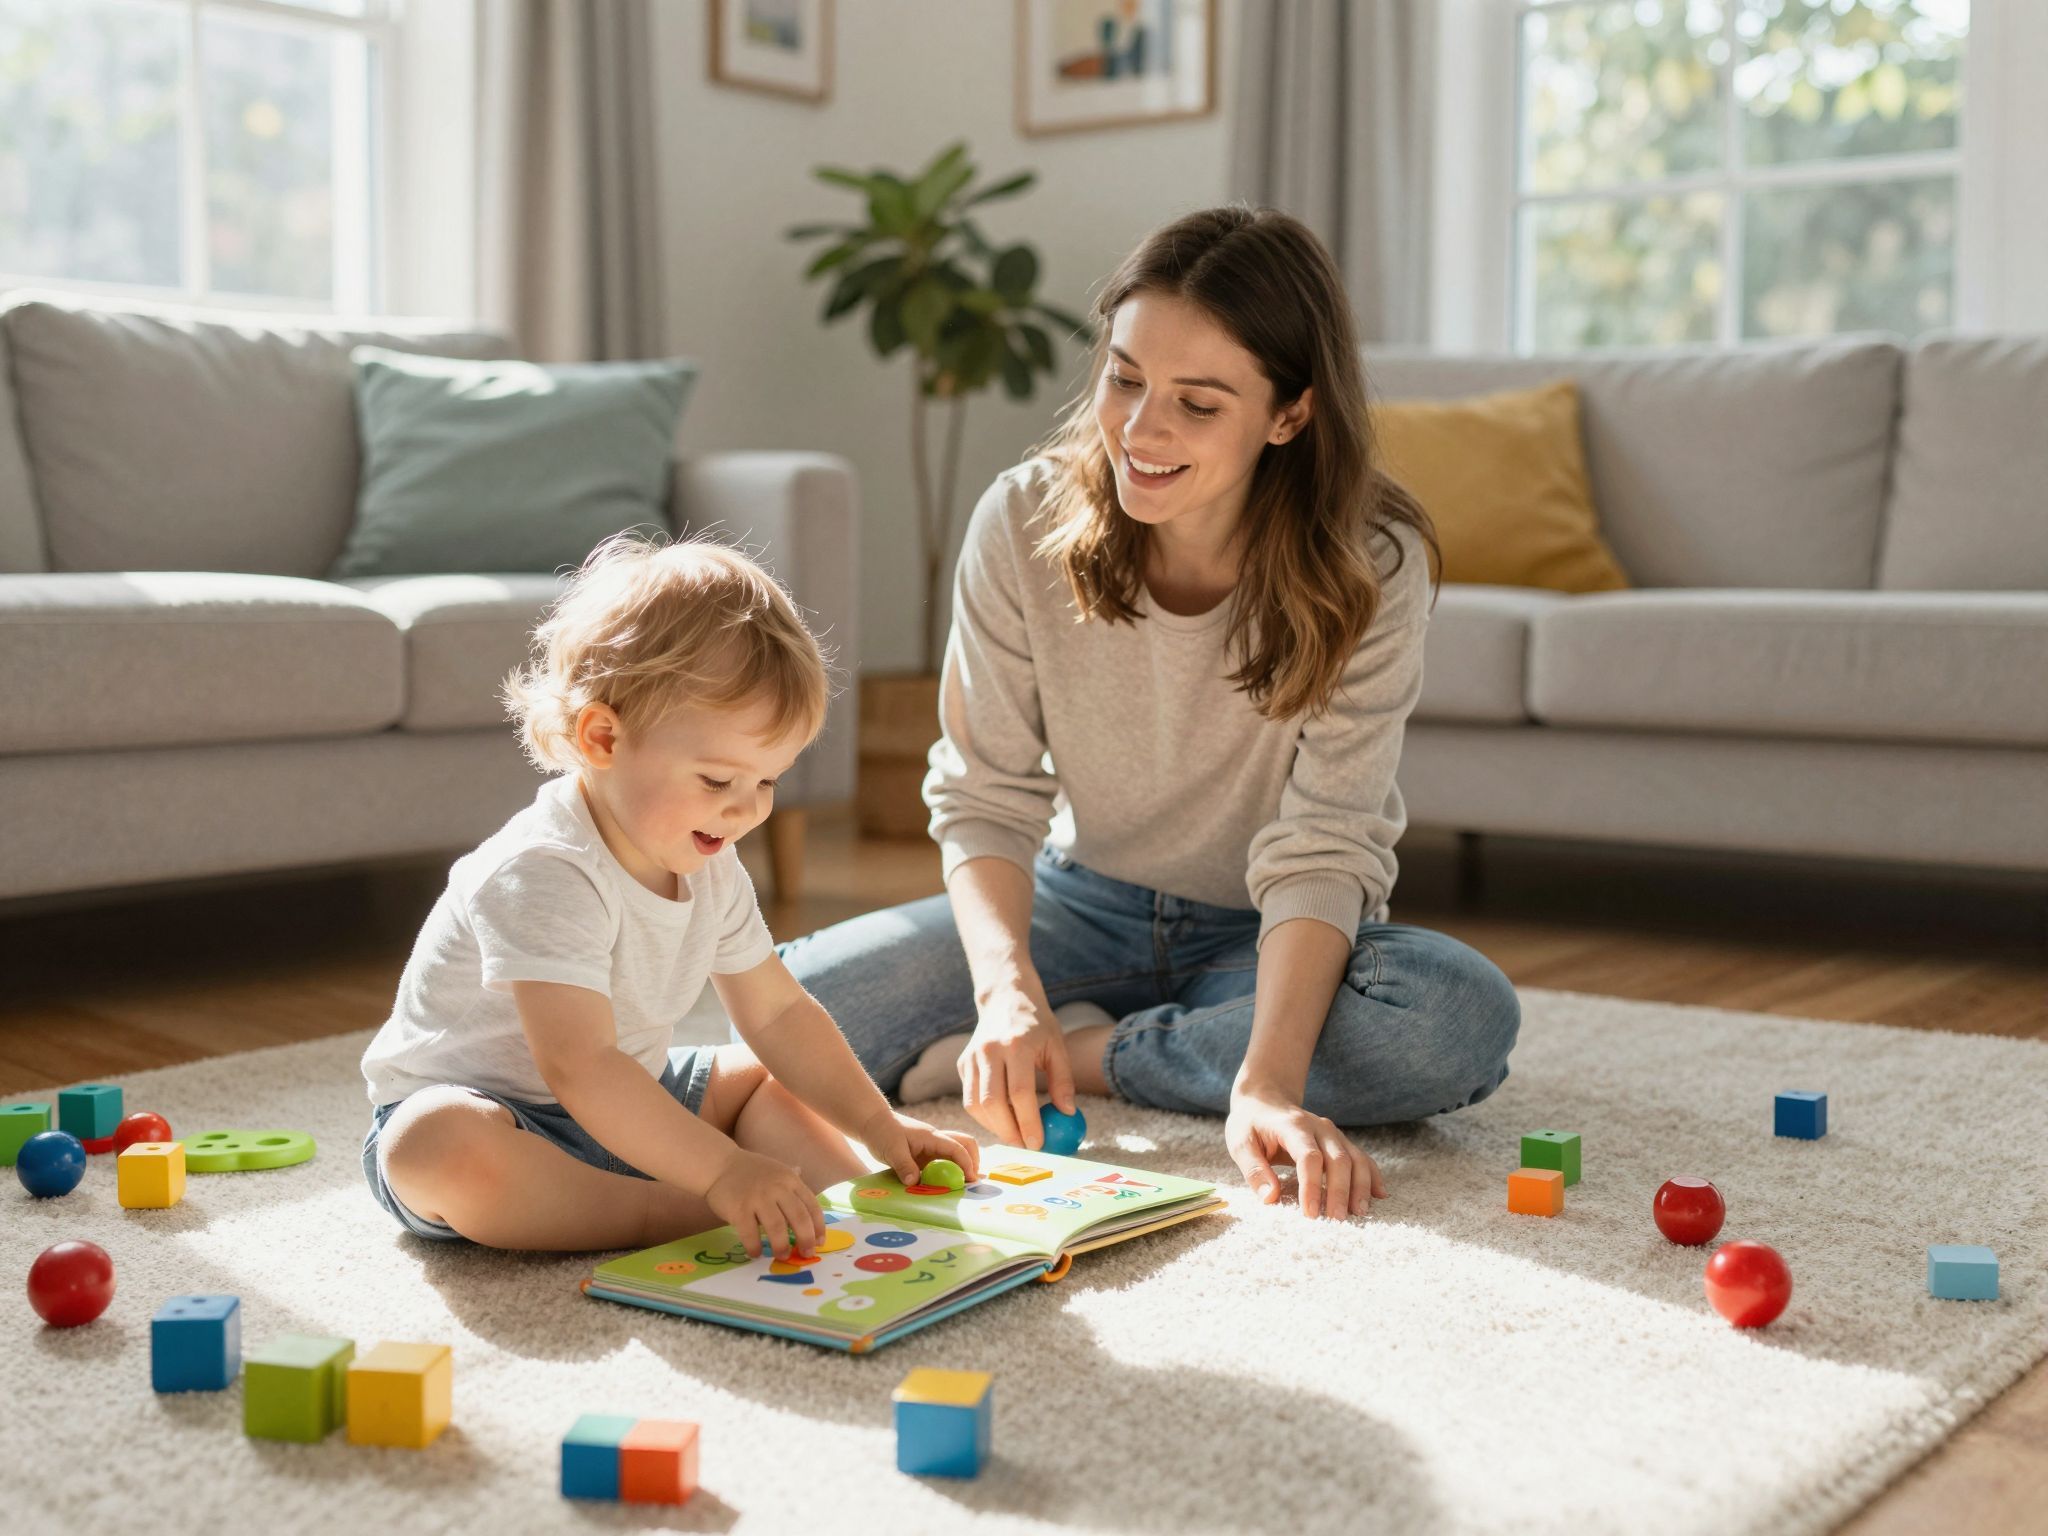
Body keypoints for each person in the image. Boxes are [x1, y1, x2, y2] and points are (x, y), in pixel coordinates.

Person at [777, 205, 1521, 1221]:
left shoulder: (1372, 562)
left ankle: (1092, 1052)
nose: (1139, 429)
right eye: (1123, 378)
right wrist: (1007, 994)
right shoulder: (1020, 519)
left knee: (1449, 1020)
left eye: (1196, 404)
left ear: (1288, 414)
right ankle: (1106, 1035)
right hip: (1075, 904)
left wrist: (1265, 1082)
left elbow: (1325, 845)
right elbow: (984, 795)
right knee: (790, 1008)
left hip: (1264, 933)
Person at [358, 535, 977, 1254]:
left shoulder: (710, 862)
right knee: (437, 1149)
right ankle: (667, 1213)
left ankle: (848, 1205)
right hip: (506, 1115)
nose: (745, 810)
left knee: (762, 1075)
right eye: (718, 781)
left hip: (639, 1102)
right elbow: (580, 1064)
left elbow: (775, 1012)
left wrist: (879, 1127)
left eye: (767, 781)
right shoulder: (544, 870)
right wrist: (721, 1172)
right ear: (601, 738)